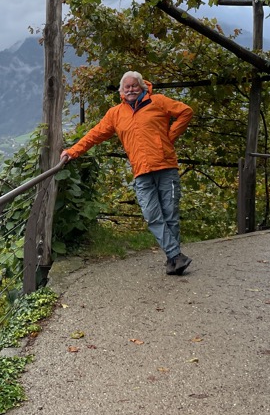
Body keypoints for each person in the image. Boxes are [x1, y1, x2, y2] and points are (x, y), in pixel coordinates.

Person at [60, 71, 194, 275]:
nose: (130, 89)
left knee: (170, 215)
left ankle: (172, 260)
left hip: (166, 167)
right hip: (141, 171)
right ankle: (176, 256)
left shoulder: (158, 102)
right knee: (152, 215)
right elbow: (94, 134)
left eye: (134, 86)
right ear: (121, 91)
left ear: (142, 87)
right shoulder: (116, 113)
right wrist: (72, 152)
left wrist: (169, 137)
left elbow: (186, 111)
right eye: (126, 87)